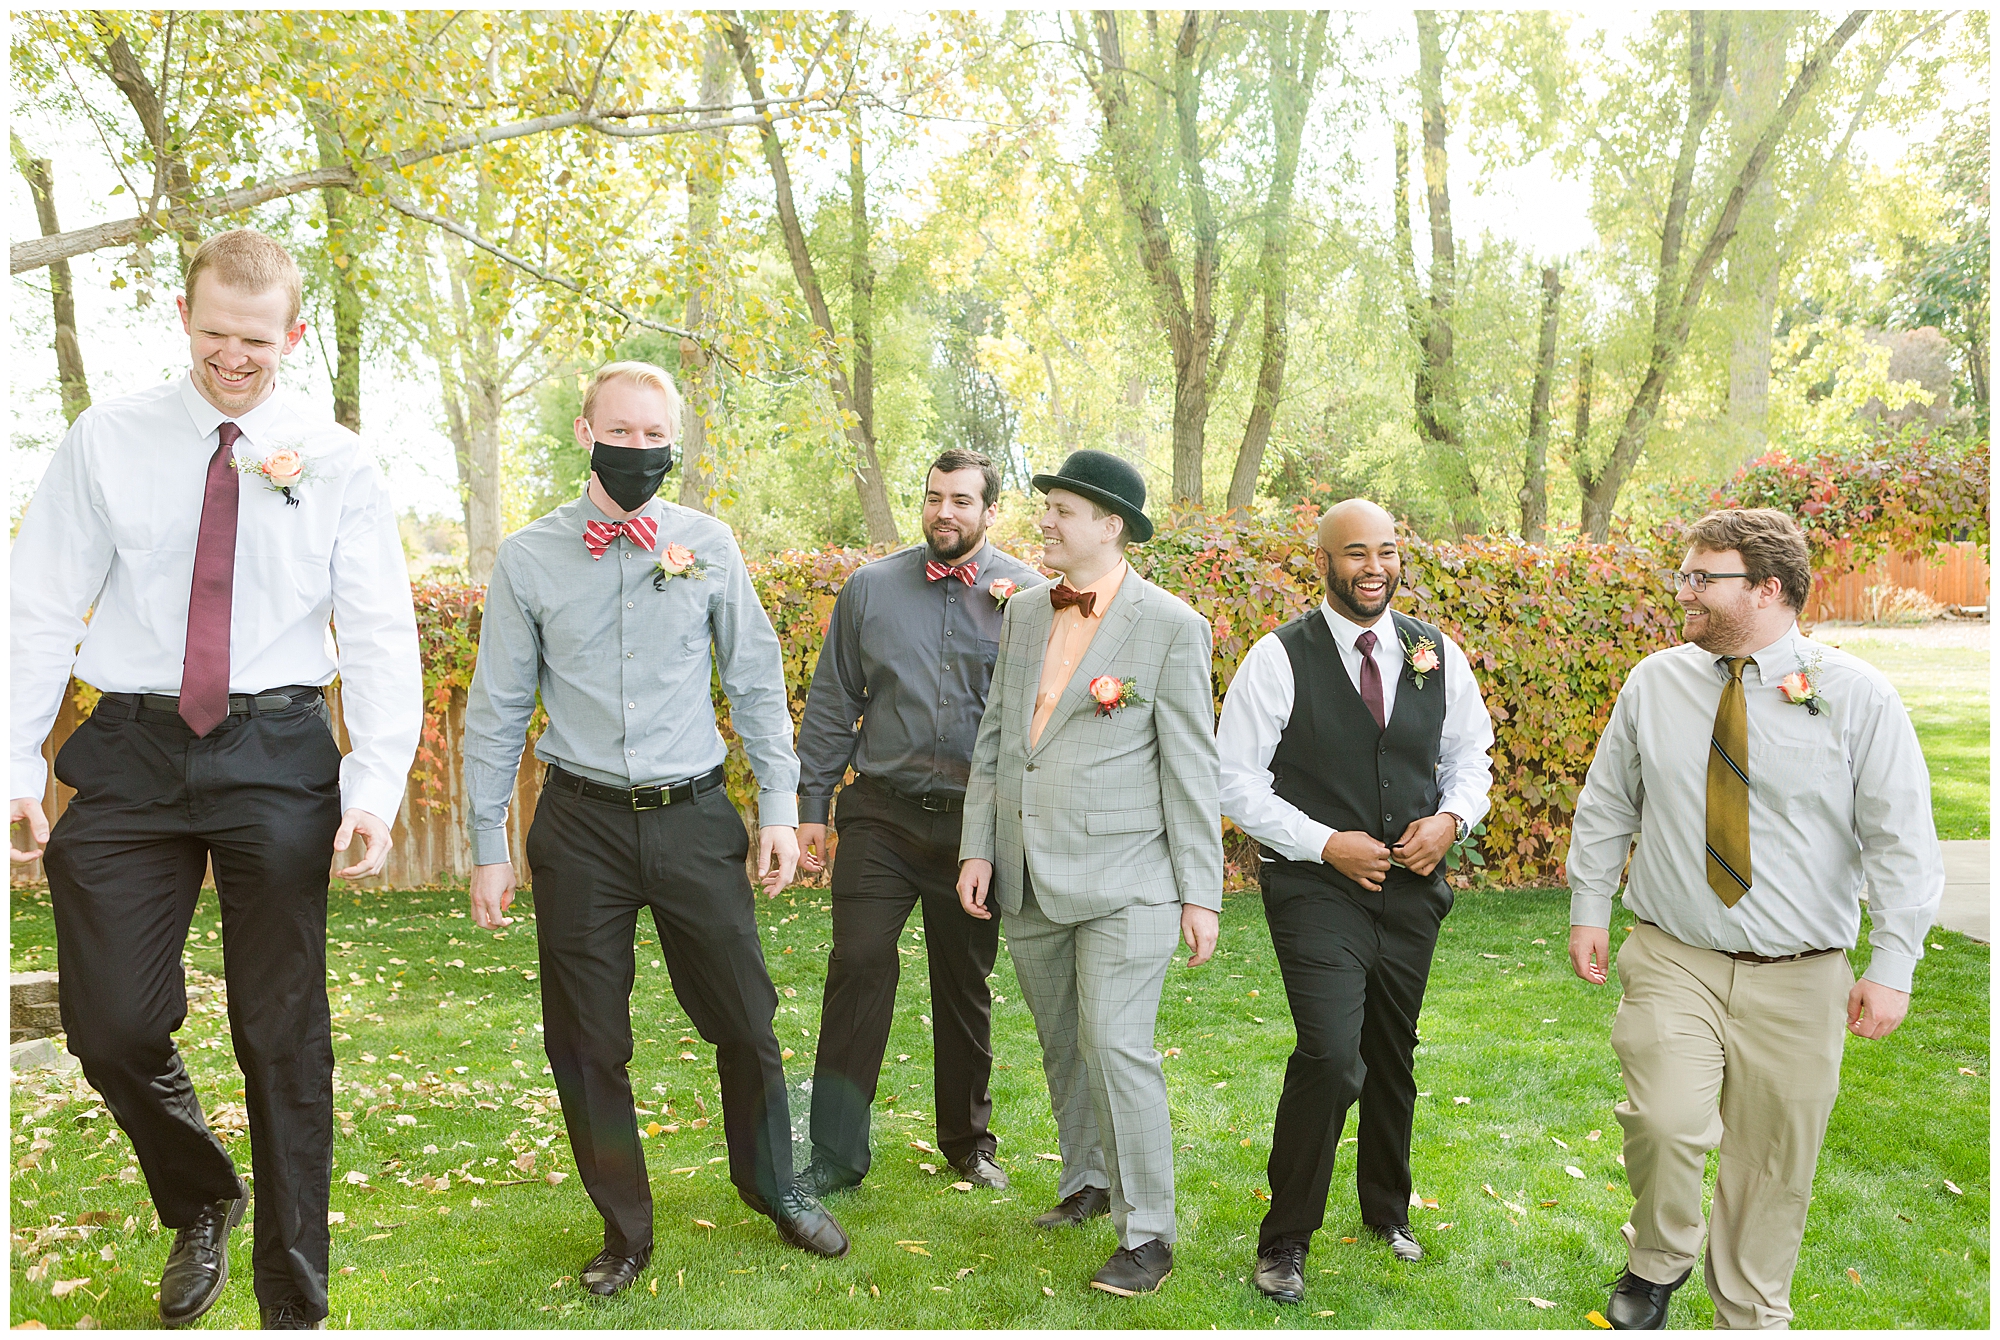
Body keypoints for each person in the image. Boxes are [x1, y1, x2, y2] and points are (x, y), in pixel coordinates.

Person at [8, 228, 421, 1330]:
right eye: (213, 335)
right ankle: (203, 1194)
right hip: (132, 749)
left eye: (255, 339)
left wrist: (372, 785)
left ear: (292, 331)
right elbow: (40, 602)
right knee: (110, 1027)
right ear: (184, 321)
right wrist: (11, 762)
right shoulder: (110, 439)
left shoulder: (334, 458)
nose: (232, 358)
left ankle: (295, 1298)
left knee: (280, 1030)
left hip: (275, 752)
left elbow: (379, 629)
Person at [460, 360, 848, 1298]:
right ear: (586, 433)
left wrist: (782, 813)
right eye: (620, 431)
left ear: (672, 442)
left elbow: (756, 683)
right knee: (587, 1039)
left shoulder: (708, 543)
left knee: (746, 1020)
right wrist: (484, 844)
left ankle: (774, 1187)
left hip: (694, 819)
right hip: (579, 826)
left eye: (653, 435)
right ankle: (623, 1230)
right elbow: (498, 705)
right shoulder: (529, 557)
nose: (638, 448)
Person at [1567, 507, 1943, 1330]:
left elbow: (1901, 839)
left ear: (1768, 589)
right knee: (1665, 1123)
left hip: (1803, 975)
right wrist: (1589, 906)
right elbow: (1606, 807)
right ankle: (1658, 1256)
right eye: (1686, 574)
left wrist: (1894, 964)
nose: (1685, 592)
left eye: (1705, 578)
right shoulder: (1654, 683)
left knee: (1775, 1161)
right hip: (1674, 955)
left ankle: (1748, 1307)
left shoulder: (1857, 697)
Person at [957, 448, 1222, 1298]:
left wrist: (1199, 892)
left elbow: (1190, 768)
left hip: (1128, 882)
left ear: (1110, 526)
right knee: (1065, 1042)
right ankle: (1087, 1183)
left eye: (1062, 510)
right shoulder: (1028, 612)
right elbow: (999, 741)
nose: (1047, 523)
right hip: (1028, 873)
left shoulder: (1172, 627)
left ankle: (1148, 1236)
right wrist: (979, 847)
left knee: (1116, 1047)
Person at [1216, 498, 1494, 1305]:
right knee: (1332, 1055)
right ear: (1324, 560)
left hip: (1412, 888)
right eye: (1355, 554)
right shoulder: (1278, 657)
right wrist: (1324, 842)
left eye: (1387, 552)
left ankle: (1387, 1212)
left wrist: (1451, 819)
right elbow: (1235, 779)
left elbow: (1471, 754)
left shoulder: (1435, 652)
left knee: (1392, 1049)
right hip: (1314, 890)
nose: (1374, 568)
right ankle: (1286, 1239)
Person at [792, 448, 1042, 1196]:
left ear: (990, 511)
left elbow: (1040, 721)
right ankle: (835, 1156)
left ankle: (968, 1143)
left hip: (976, 827)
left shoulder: (1028, 598)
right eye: (935, 498)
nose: (945, 513)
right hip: (882, 816)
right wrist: (812, 809)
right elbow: (834, 700)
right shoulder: (869, 590)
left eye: (963, 501)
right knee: (859, 964)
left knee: (963, 982)